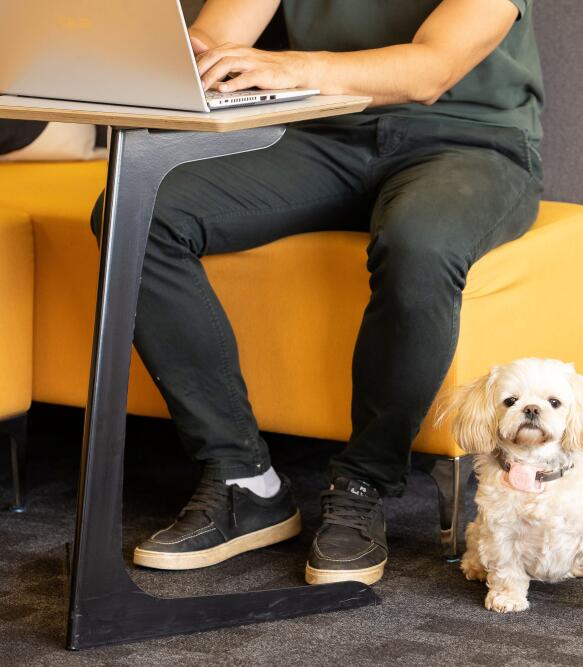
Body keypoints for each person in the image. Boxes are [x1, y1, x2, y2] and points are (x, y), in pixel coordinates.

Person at [90, 0, 543, 586]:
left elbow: (430, 70)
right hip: (321, 135)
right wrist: (194, 58)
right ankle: (242, 477)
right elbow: (212, 37)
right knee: (138, 211)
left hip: (469, 142)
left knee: (421, 245)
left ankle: (364, 483)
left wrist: (291, 66)